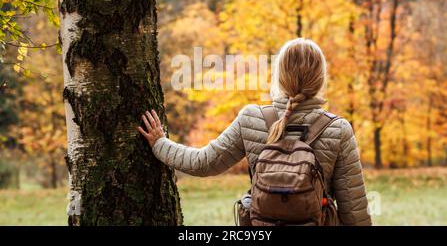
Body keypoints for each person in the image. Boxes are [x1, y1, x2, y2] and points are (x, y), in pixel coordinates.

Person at [138, 38, 372, 226]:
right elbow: (355, 212)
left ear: (279, 75)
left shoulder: (252, 118)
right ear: (321, 78)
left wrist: (160, 143)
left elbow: (202, 163)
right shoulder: (338, 129)